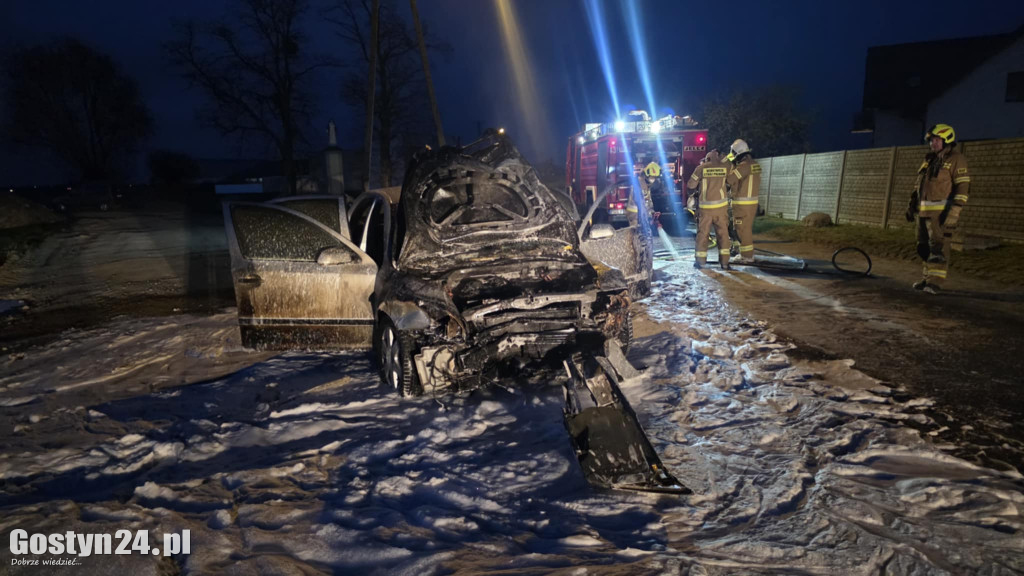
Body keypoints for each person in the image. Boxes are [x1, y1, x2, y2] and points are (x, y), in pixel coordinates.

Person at [905, 123, 969, 294]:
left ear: (946, 139)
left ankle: (935, 283)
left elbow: (962, 187)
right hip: (922, 212)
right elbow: (918, 186)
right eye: (931, 141)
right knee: (923, 247)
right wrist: (911, 206)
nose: (932, 143)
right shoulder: (929, 160)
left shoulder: (956, 159)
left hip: (940, 215)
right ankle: (926, 278)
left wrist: (955, 211)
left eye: (936, 140)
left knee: (938, 248)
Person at [686, 150, 732, 270]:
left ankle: (701, 262)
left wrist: (693, 194)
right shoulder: (725, 168)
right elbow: (732, 180)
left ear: (707, 159)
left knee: (703, 235)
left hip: (705, 209)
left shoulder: (701, 168)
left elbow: (691, 185)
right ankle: (725, 263)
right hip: (721, 209)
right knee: (723, 235)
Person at [724, 139, 762, 264]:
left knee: (742, 229)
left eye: (733, 153)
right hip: (751, 203)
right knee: (745, 228)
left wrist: (728, 165)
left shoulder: (744, 166)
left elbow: (730, 180)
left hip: (742, 204)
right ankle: (746, 254)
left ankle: (746, 256)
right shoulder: (754, 164)